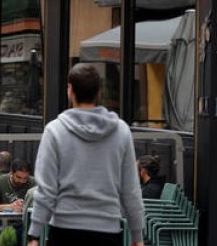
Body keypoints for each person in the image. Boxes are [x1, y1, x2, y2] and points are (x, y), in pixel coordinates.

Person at [27, 64, 145, 246]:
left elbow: (47, 190)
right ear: (99, 92)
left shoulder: (55, 131)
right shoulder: (121, 131)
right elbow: (130, 190)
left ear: (70, 91)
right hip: (107, 231)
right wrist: (137, 235)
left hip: (65, 231)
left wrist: (34, 234)